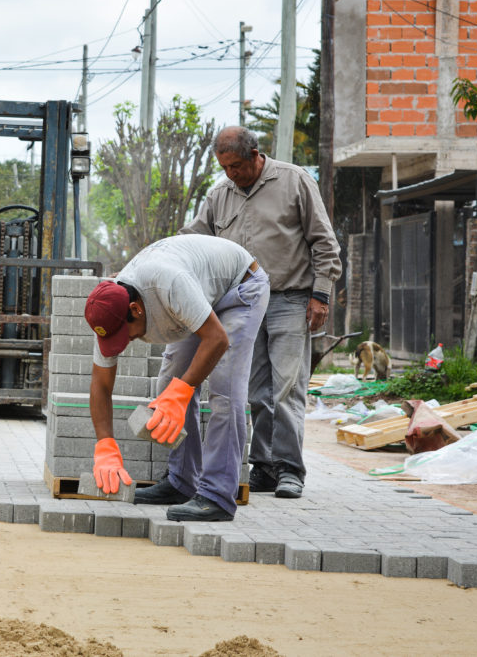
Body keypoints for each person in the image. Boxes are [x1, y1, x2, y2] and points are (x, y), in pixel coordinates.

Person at [180, 126, 341, 499]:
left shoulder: (294, 181)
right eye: (224, 167)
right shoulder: (219, 195)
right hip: (243, 304)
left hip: (290, 299)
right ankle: (265, 467)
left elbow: (324, 241)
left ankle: (290, 469)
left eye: (236, 166)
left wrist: (321, 295)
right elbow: (194, 239)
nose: (230, 174)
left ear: (255, 155)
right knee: (255, 392)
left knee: (287, 388)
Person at [87, 234, 269, 522]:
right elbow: (100, 384)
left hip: (239, 288)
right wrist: (105, 445)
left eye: (125, 334)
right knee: (168, 385)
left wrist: (182, 391)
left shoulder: (168, 284)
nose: (124, 342)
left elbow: (217, 339)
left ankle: (217, 497)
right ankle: (181, 482)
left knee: (225, 391)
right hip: (198, 292)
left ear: (135, 309)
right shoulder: (109, 310)